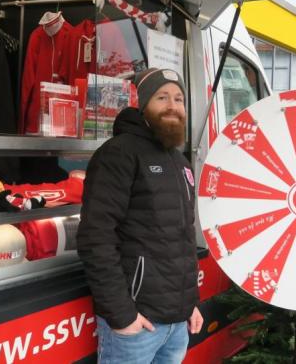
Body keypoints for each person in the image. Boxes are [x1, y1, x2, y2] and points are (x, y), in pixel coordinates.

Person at [78, 68, 203, 363]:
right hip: (136, 325)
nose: (172, 106)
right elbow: (96, 238)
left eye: (179, 99)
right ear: (143, 104)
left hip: (177, 323)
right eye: (162, 97)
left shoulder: (180, 161)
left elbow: (182, 239)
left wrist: (189, 304)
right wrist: (122, 316)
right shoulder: (118, 154)